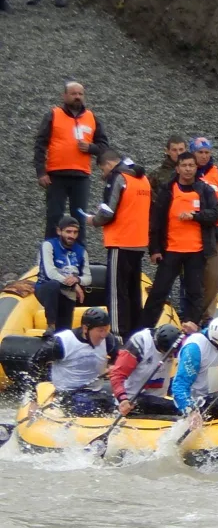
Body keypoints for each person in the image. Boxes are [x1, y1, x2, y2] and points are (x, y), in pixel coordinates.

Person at [141, 152, 218, 328]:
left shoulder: (205, 190)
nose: (187, 169)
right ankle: (145, 330)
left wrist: (195, 216)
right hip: (171, 251)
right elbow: (156, 221)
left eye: (191, 166)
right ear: (177, 168)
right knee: (158, 292)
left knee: (195, 294)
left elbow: (216, 214)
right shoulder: (168, 190)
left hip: (196, 252)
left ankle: (191, 329)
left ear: (196, 167)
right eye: (184, 165)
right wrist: (154, 249)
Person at [86, 150, 150, 342]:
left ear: (107, 164)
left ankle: (116, 335)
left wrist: (92, 220)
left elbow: (108, 212)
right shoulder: (142, 178)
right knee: (133, 292)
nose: (103, 174)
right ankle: (135, 335)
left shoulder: (118, 177)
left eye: (102, 169)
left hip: (120, 242)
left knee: (116, 292)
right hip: (138, 242)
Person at [34, 82, 110, 243]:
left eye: (80, 94)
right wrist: (41, 172)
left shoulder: (91, 118)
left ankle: (80, 256)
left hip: (81, 176)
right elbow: (40, 144)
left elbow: (104, 147)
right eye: (73, 93)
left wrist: (91, 148)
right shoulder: (53, 115)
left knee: (80, 218)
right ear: (65, 96)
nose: (77, 97)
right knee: (54, 216)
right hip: (56, 175)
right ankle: (51, 254)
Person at [24, 307, 117, 417]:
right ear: (85, 329)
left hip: (96, 391)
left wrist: (114, 365)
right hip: (67, 394)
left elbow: (121, 358)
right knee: (88, 405)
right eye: (100, 330)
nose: (103, 335)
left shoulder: (108, 339)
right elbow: (35, 363)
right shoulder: (60, 343)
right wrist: (33, 399)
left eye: (106, 330)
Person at [191, 137, 218, 324]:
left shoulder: (217, 173)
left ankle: (207, 315)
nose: (204, 156)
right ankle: (191, 313)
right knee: (192, 275)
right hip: (190, 232)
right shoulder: (187, 172)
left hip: (215, 232)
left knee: (213, 277)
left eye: (207, 152)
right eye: (200, 152)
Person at [109, 323, 197, 416]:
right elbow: (117, 374)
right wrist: (123, 399)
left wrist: (192, 335)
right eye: (169, 353)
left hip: (157, 399)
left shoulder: (177, 342)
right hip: (132, 402)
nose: (172, 356)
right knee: (180, 410)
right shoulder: (140, 342)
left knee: (188, 404)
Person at [35, 216, 92, 336]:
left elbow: (88, 278)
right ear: (59, 231)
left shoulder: (82, 251)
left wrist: (77, 279)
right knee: (53, 285)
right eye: (68, 231)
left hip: (67, 294)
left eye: (75, 232)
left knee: (64, 333)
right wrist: (74, 285)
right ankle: (51, 325)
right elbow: (50, 273)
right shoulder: (48, 245)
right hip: (46, 288)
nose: (72, 235)